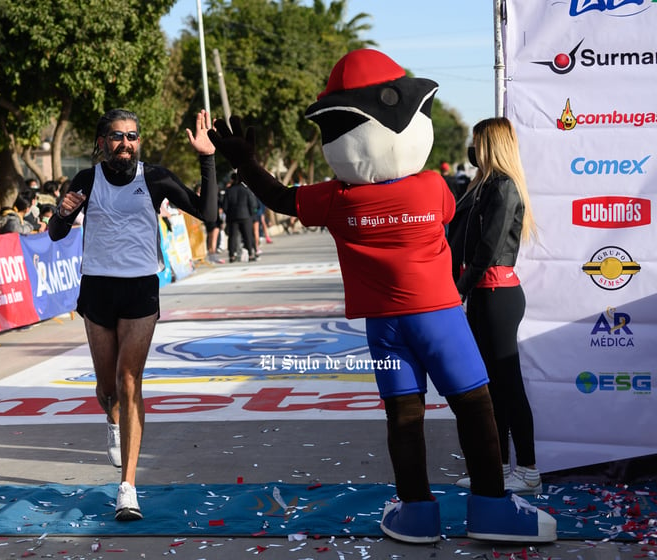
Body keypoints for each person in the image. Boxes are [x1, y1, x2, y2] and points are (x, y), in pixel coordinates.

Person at [209, 49, 555, 543]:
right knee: (476, 407)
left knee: (404, 416)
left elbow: (283, 198)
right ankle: (491, 509)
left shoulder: (335, 197)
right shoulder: (433, 186)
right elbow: (444, 218)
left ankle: (416, 513)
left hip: (385, 326)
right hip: (439, 316)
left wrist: (243, 159)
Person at [48, 109, 218, 521]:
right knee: (108, 391)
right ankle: (111, 417)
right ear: (102, 141)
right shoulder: (87, 180)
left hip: (140, 288)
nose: (126, 143)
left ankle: (127, 487)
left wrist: (207, 159)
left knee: (129, 381)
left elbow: (209, 215)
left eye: (132, 136)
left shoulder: (155, 178)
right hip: (98, 290)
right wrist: (63, 212)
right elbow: (55, 233)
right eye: (118, 136)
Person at [447, 117, 540, 494]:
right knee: (490, 386)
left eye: (476, 142)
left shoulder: (503, 188)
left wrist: (459, 289)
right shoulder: (481, 186)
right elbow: (461, 240)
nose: (472, 148)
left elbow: (487, 249)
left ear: (489, 144)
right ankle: (498, 466)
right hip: (483, 294)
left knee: (508, 383)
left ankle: (529, 470)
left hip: (497, 295)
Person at [222, 171, 258, 262]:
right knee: (248, 235)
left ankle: (232, 256)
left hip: (233, 217)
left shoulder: (229, 191)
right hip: (246, 216)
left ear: (232, 179)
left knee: (232, 236)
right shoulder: (246, 190)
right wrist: (251, 214)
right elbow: (252, 204)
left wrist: (229, 214)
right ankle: (250, 254)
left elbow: (225, 206)